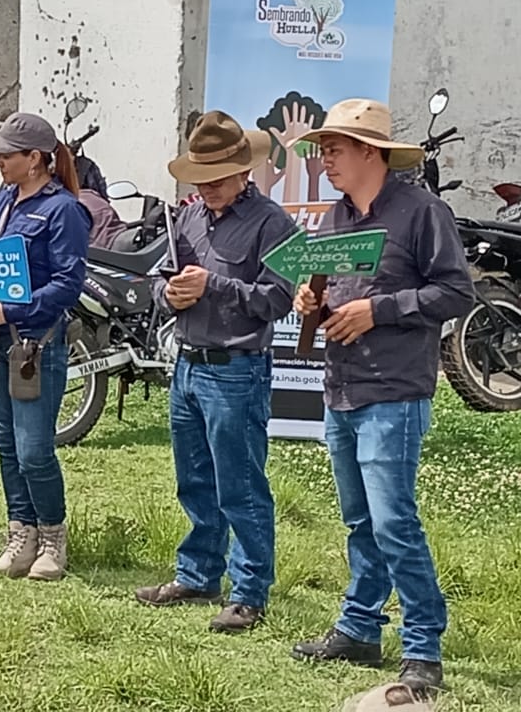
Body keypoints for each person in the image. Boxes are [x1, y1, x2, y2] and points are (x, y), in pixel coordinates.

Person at [290, 99, 473, 698]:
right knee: (360, 521)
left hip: (394, 390)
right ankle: (359, 629)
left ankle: (424, 649)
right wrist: (310, 304)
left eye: (334, 150)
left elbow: (454, 293)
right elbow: (328, 289)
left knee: (394, 522)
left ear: (371, 152)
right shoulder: (335, 220)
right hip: (342, 387)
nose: (324, 162)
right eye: (321, 152)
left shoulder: (423, 212)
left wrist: (379, 310)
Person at [133, 111, 297, 632]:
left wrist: (215, 288)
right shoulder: (188, 217)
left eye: (217, 181)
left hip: (236, 369)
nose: (207, 190)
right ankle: (199, 572)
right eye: (200, 181)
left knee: (241, 484)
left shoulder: (275, 224)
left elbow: (279, 299)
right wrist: (169, 292)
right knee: (194, 478)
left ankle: (249, 591)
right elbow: (160, 278)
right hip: (187, 363)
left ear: (244, 172)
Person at [0, 112, 91, 581]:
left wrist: (10, 311)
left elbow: (67, 284)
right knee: (5, 443)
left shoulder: (64, 211)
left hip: (36, 344)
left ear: (35, 159)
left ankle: (53, 536)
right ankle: (20, 533)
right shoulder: (0, 203)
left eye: (7, 154)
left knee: (34, 447)